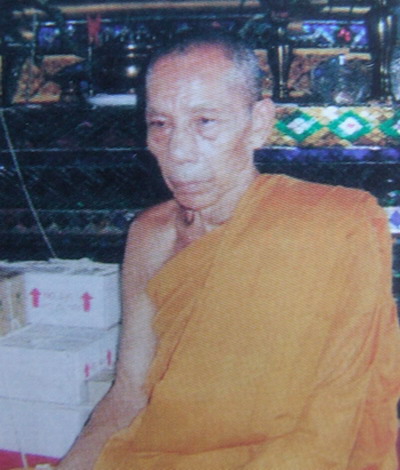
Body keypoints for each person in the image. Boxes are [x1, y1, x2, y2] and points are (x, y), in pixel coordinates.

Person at [36, 31, 400, 469]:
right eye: (160, 124)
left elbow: (339, 416)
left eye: (205, 122)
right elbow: (130, 392)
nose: (179, 153)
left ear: (258, 123)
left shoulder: (333, 225)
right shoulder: (149, 234)